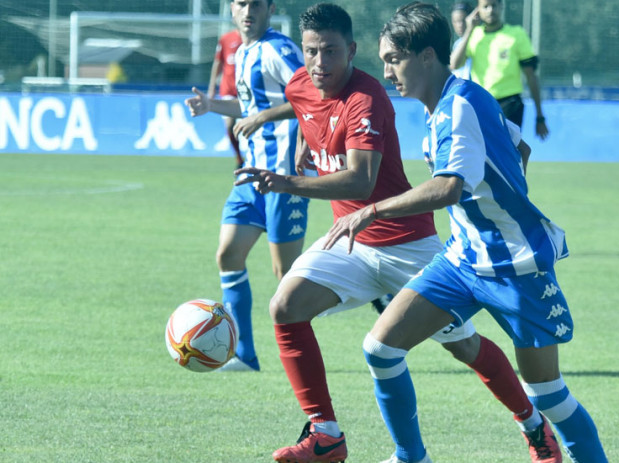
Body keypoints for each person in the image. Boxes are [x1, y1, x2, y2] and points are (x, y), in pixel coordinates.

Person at [234, 3, 559, 462]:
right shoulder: (302, 84)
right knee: (285, 307)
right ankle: (326, 435)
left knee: (464, 345)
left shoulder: (368, 98)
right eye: (311, 52)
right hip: (350, 243)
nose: (319, 63)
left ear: (352, 50)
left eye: (330, 51)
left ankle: (533, 425)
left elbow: (360, 181)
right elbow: (306, 105)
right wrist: (308, 142)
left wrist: (287, 181)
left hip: (407, 244)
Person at [324, 2, 609, 462]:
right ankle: (410, 457)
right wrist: (504, 193)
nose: (386, 71)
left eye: (393, 59)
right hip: (462, 260)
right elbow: (519, 146)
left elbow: (449, 187)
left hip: (516, 265)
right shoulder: (453, 102)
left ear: (427, 56)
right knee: (380, 347)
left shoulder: (459, 105)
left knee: (548, 395)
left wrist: (372, 211)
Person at [184, 0, 308, 372]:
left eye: (256, 3)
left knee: (286, 278)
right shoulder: (242, 51)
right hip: (249, 176)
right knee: (228, 254)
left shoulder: (278, 49)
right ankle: (244, 355)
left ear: (271, 8)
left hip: (282, 177)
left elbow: (310, 95)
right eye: (241, 3)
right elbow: (249, 104)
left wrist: (294, 138)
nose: (247, 9)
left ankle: (303, 350)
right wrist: (212, 105)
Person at [450, 0, 549, 140]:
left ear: (501, 7)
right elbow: (454, 64)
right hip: (481, 103)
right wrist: (468, 30)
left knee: (507, 153)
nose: (490, 10)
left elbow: (531, 76)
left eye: (494, 5)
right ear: (478, 10)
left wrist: (540, 116)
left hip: (510, 105)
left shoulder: (516, 34)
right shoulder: (473, 36)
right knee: (483, 153)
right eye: (485, 6)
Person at [208, 28, 245, 168]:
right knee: (229, 126)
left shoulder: (253, 39)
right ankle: (239, 158)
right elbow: (218, 63)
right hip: (228, 90)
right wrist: (212, 86)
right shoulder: (225, 39)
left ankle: (253, 157)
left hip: (246, 91)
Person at [449, 2, 473, 79]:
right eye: (456, 21)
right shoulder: (457, 44)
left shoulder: (478, 39)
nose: (460, 25)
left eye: (463, 20)